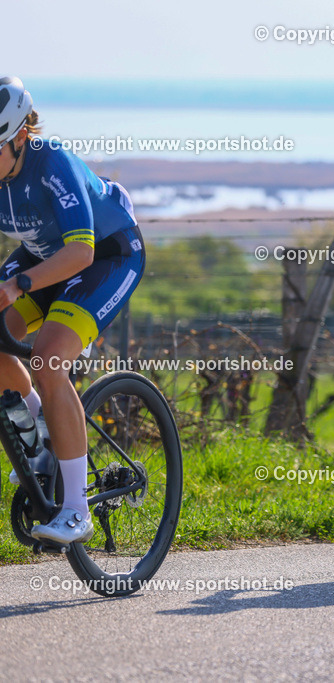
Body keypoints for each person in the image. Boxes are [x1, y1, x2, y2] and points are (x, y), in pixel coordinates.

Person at [0, 77, 145, 543]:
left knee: (47, 357)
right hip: (46, 256)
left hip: (105, 255)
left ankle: (76, 508)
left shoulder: (52, 163)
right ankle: (42, 436)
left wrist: (15, 284)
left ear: (21, 135)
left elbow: (79, 254)